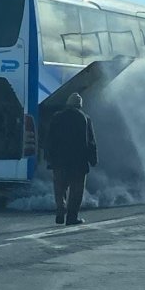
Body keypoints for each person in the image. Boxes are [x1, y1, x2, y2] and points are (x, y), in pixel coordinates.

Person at [47, 92, 98, 226]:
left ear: (67, 104)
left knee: (60, 188)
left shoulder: (56, 117)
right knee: (76, 191)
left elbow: (49, 139)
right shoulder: (85, 118)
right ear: (80, 105)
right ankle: (71, 217)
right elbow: (91, 142)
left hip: (59, 161)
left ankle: (60, 209)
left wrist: (49, 157)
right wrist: (93, 159)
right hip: (78, 162)